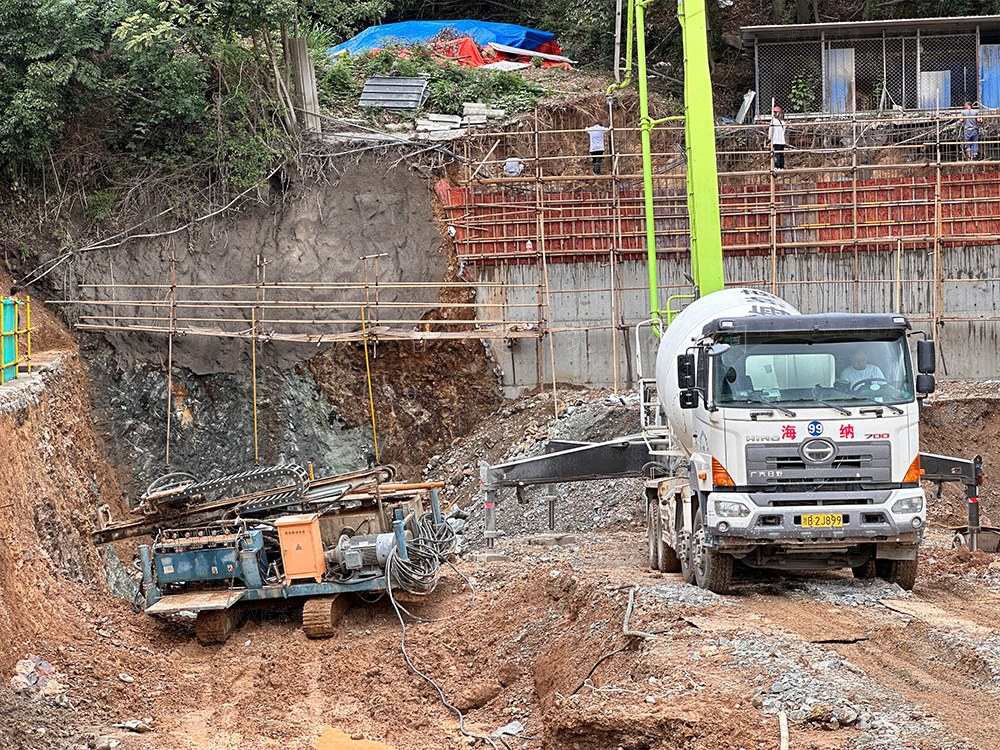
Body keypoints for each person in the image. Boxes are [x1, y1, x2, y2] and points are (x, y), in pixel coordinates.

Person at [768, 106, 787, 171]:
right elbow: (783, 131)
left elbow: (771, 131)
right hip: (782, 141)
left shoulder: (773, 121)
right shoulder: (783, 122)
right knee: (781, 154)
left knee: (777, 154)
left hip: (776, 140)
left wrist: (769, 138)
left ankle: (777, 167)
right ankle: (781, 167)